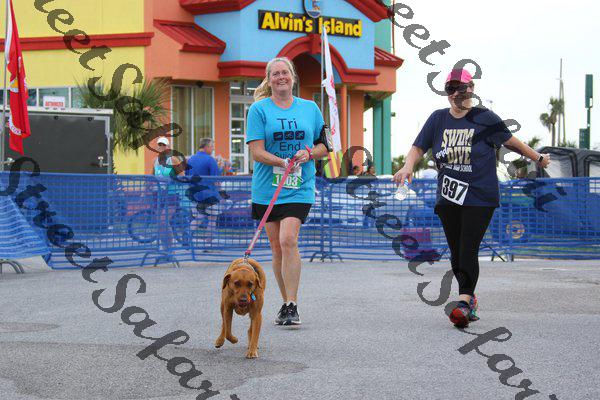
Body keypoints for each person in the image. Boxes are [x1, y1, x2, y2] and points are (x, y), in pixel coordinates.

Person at [393, 69, 550, 328]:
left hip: (479, 195)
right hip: (448, 197)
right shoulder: (438, 119)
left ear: (471, 89)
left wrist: (539, 158)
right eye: (450, 89)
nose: (455, 93)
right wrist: (408, 166)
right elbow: (418, 147)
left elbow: (511, 142)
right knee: (456, 253)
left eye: (460, 87)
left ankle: (463, 302)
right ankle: (470, 298)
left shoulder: (485, 118)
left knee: (467, 247)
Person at [246, 57, 331, 326]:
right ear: (269, 79)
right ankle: (286, 304)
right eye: (275, 74)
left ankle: (293, 303)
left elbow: (325, 146)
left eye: (285, 72)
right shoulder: (259, 110)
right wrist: (282, 162)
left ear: (293, 77)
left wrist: (308, 153)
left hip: (299, 186)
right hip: (267, 188)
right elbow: (256, 151)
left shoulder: (310, 108)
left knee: (288, 239)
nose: (281, 77)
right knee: (276, 247)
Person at [186, 138, 222, 245]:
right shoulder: (210, 160)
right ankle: (208, 244)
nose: (213, 149)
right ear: (206, 147)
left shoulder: (191, 159)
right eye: (212, 146)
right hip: (209, 194)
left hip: (194, 194)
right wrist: (220, 193)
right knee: (212, 218)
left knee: (199, 217)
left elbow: (187, 176)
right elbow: (216, 180)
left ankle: (187, 234)